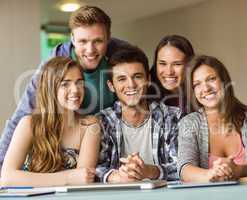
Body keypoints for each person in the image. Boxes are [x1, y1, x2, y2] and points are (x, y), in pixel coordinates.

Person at [0, 5, 128, 171]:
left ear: (108, 39)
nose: (90, 50)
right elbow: (22, 115)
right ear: (72, 39)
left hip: (104, 150)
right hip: (60, 151)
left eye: (98, 41)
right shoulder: (55, 64)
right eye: (82, 41)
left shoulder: (120, 56)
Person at [1, 57, 100, 187]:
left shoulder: (90, 125)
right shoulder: (29, 124)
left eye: (79, 83)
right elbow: (7, 177)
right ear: (50, 89)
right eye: (65, 84)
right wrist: (68, 177)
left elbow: (83, 180)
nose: (75, 90)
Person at [96, 45, 181, 183]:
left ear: (148, 79)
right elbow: (94, 168)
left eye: (137, 76)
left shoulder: (172, 117)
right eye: (122, 79)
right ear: (111, 85)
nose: (131, 85)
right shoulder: (102, 121)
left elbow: (183, 167)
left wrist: (149, 171)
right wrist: (118, 176)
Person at [178, 55, 247, 182]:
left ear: (225, 81)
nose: (206, 88)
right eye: (197, 84)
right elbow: (184, 169)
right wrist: (211, 174)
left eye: (211, 79)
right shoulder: (189, 123)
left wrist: (237, 170)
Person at [148, 35, 194, 114]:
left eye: (177, 64)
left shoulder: (201, 92)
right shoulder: (146, 97)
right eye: (162, 63)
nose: (169, 72)